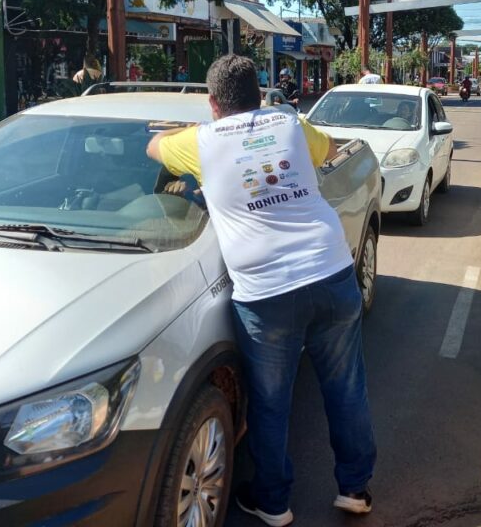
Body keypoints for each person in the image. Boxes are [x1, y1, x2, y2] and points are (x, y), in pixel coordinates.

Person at [147, 56, 376, 525]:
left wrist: (192, 131)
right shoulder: (289, 122)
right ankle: (355, 489)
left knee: (272, 403)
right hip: (331, 270)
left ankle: (274, 502)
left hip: (267, 293)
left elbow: (154, 148)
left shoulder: (201, 142)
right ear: (261, 93)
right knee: (345, 387)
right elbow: (327, 147)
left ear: (213, 104)